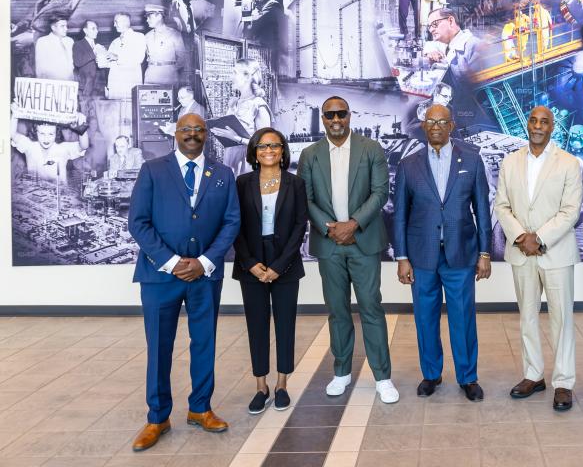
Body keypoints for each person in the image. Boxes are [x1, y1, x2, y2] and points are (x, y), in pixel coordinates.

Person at [127, 113, 241, 452]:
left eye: (199, 130)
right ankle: (157, 416)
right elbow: (139, 223)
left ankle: (200, 409)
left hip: (205, 276)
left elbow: (231, 223)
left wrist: (204, 262)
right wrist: (174, 262)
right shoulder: (153, 170)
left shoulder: (222, 174)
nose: (193, 134)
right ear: (176, 134)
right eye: (186, 129)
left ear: (207, 135)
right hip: (161, 276)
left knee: (204, 342)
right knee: (159, 346)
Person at [297, 97, 398, 403]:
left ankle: (383, 377)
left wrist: (352, 224)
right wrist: (332, 228)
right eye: (330, 115)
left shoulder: (371, 149)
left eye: (341, 113)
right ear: (323, 118)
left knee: (371, 307)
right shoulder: (310, 154)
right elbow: (306, 198)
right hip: (329, 245)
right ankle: (341, 373)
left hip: (363, 242)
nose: (336, 119)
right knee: (338, 311)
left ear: (349, 116)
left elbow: (380, 192)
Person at [393, 104, 492, 401]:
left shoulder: (472, 161)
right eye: (430, 121)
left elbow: (482, 211)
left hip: (460, 254)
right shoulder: (408, 165)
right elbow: (400, 215)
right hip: (421, 256)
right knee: (425, 318)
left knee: (463, 318)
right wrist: (401, 257)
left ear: (451, 126)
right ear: (423, 126)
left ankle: (468, 377)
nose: (435, 126)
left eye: (442, 121)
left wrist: (485, 253)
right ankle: (431, 374)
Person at [494, 106, 583, 411]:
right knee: (528, 317)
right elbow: (502, 205)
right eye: (533, 120)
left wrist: (540, 237)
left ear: (552, 127)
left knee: (562, 319)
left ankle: (563, 382)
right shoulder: (510, 162)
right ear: (527, 123)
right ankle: (533, 375)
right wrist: (521, 236)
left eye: (544, 122)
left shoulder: (569, 164)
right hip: (522, 252)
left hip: (555, 253)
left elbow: (570, 210)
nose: (538, 126)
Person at [234, 128, 309, 414]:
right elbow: (234, 226)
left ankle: (281, 385)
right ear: (254, 152)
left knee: (285, 324)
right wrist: (250, 262)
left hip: (284, 264)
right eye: (263, 146)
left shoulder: (295, 183)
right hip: (250, 262)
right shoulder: (241, 183)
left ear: (282, 151)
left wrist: (279, 266)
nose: (269, 150)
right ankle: (260, 386)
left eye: (275, 146)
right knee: (257, 325)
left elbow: (300, 226)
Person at [11, 0, 87, 75]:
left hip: (50, 52)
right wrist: (19, 26)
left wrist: (33, 38)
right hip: (29, 46)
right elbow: (35, 13)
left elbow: (70, 31)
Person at [212, 58, 272, 174]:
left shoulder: (259, 105)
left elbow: (265, 145)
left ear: (247, 76)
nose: (231, 77)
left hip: (248, 166)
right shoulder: (234, 103)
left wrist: (236, 138)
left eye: (235, 73)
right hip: (230, 161)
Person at [10, 106, 89, 183]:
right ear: (35, 132)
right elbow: (12, 134)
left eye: (51, 134)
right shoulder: (30, 146)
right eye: (42, 133)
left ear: (56, 133)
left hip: (60, 194)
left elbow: (83, 146)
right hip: (33, 194)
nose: (46, 138)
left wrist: (82, 125)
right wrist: (15, 115)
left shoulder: (63, 149)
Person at [425, 7, 482, 87]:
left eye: (435, 24)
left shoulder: (474, 46)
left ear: (451, 21)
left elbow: (479, 88)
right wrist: (431, 52)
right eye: (429, 26)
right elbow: (429, 44)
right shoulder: (447, 43)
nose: (431, 30)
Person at [144, 4, 189, 85]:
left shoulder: (174, 34)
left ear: (159, 16)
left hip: (168, 76)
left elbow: (182, 58)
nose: (147, 20)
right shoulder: (147, 36)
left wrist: (170, 69)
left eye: (149, 17)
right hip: (150, 75)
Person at [106, 12, 147, 100]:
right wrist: (101, 58)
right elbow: (109, 63)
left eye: (116, 22)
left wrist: (117, 57)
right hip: (115, 84)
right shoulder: (115, 42)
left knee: (130, 111)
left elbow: (139, 58)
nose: (114, 25)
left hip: (129, 83)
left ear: (125, 22)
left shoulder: (138, 37)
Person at [34, 15, 75, 81]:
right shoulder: (42, 41)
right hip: (52, 83)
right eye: (62, 26)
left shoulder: (70, 41)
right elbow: (40, 68)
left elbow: (72, 63)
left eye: (66, 26)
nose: (66, 29)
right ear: (53, 28)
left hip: (69, 83)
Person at [73, 20, 107, 100]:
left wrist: (106, 57)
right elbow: (77, 62)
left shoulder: (99, 46)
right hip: (85, 86)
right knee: (85, 108)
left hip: (99, 85)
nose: (97, 31)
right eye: (93, 28)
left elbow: (102, 66)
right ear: (85, 31)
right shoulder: (78, 44)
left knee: (99, 110)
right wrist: (94, 53)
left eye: (97, 29)